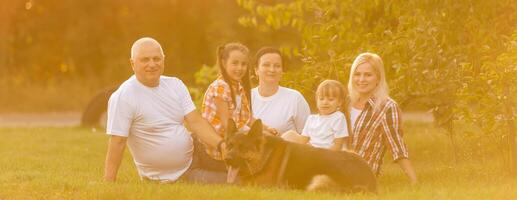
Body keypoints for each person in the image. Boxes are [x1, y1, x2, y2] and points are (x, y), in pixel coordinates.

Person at [103, 37, 226, 183]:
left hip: (197, 150)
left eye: (157, 59)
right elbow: (118, 141)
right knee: (236, 180)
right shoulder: (124, 96)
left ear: (163, 60)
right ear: (132, 63)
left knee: (243, 162)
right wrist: (108, 181)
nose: (152, 64)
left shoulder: (175, 85)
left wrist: (221, 145)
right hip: (178, 174)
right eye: (145, 60)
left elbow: (196, 122)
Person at [347, 52, 418, 184]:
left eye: (368, 75)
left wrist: (414, 182)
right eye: (357, 74)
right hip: (334, 164)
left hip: (361, 174)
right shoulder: (345, 103)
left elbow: (397, 146)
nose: (361, 79)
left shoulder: (386, 107)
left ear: (378, 78)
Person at [198, 42, 252, 170]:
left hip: (232, 143)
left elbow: (245, 119)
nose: (240, 68)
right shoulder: (221, 87)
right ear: (223, 63)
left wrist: (265, 129)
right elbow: (228, 125)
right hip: (217, 150)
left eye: (243, 64)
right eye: (235, 63)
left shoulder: (238, 87)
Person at [251, 47, 311, 135]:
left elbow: (309, 136)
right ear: (256, 70)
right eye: (266, 65)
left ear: (282, 71)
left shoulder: (295, 98)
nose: (272, 70)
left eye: (277, 66)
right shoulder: (245, 97)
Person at [290, 80, 350, 151]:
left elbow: (337, 146)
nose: (325, 102)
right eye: (321, 99)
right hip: (311, 153)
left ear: (339, 102)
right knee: (289, 135)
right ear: (316, 100)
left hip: (329, 155)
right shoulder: (311, 119)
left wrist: (321, 157)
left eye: (330, 99)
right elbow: (303, 141)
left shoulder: (338, 117)